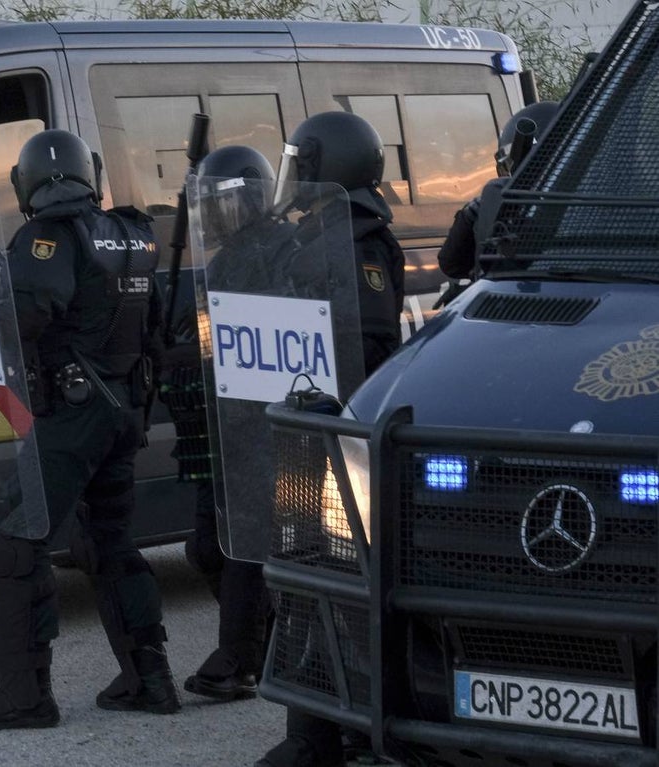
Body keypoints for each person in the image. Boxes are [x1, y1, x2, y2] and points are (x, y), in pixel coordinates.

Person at [0, 129, 180, 731]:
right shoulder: (130, 232)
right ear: (91, 174)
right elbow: (155, 330)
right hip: (124, 411)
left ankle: (25, 698)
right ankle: (150, 680)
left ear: (25, 184)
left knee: (14, 544)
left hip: (73, 414)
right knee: (109, 541)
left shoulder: (48, 236)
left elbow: (28, 313)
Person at [254, 111, 404, 767]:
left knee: (334, 584)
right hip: (314, 438)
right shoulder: (326, 231)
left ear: (324, 164)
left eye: (302, 161)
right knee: (308, 580)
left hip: (340, 445)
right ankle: (321, 730)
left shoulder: (356, 240)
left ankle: (333, 735)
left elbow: (366, 347)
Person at [178, 145, 291, 704]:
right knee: (206, 546)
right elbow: (210, 339)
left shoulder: (282, 252)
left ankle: (240, 657)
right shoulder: (224, 260)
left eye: (222, 202)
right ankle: (266, 646)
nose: (214, 215)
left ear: (251, 199)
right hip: (226, 422)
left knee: (244, 544)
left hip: (263, 423)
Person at [437, 100, 559, 281]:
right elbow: (452, 265)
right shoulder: (508, 207)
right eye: (506, 166)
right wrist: (471, 216)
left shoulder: (573, 206)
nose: (510, 174)